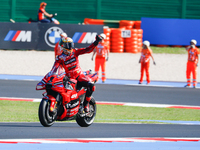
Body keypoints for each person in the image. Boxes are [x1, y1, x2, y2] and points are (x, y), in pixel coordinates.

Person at [50, 35, 104, 113]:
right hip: (68, 78)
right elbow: (55, 68)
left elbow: (87, 49)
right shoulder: (60, 57)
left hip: (79, 76)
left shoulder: (75, 52)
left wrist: (96, 42)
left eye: (71, 44)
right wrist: (52, 76)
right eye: (68, 45)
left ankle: (86, 104)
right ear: (63, 46)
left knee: (91, 85)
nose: (70, 47)